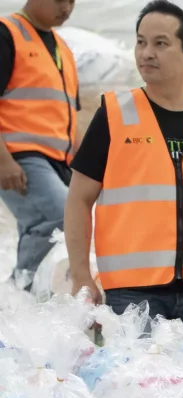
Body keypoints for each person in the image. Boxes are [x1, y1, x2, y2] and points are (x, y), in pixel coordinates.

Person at [64, 0, 183, 328]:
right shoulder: (115, 113)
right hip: (132, 293)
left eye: (160, 43)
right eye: (141, 42)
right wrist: (82, 275)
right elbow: (79, 199)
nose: (146, 53)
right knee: (135, 366)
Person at [0, 0, 79, 289]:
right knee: (63, 217)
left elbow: (69, 114)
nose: (67, 7)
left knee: (42, 226)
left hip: (58, 161)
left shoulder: (63, 48)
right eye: (60, 0)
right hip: (19, 156)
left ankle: (20, 300)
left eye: (72, 1)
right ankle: (18, 290)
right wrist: (3, 161)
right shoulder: (7, 33)